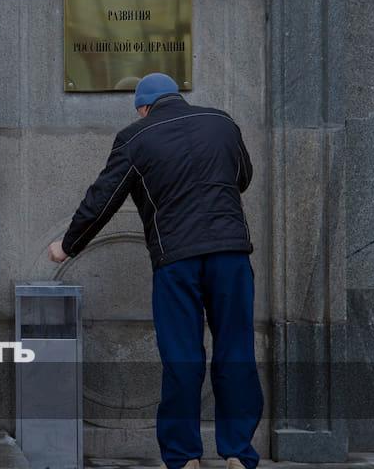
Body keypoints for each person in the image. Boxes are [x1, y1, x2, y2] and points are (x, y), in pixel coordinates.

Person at [47, 73, 264, 469]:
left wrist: (68, 245)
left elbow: (103, 199)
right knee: (236, 352)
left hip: (177, 259)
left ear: (143, 108)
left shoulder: (136, 137)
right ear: (176, 96)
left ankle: (183, 458)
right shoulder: (222, 122)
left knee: (182, 357)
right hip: (231, 253)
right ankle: (238, 454)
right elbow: (242, 177)